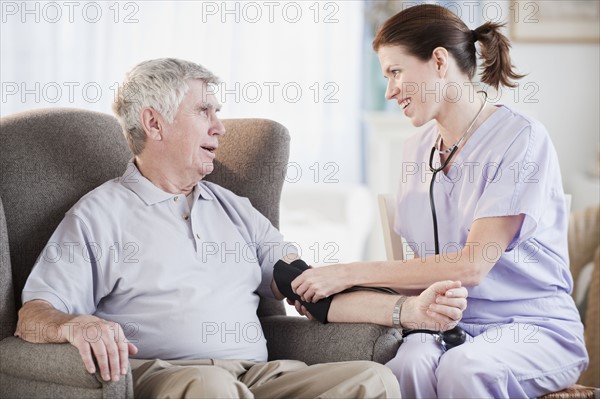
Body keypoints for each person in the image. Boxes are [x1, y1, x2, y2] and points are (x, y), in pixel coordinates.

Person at [15, 58, 468, 398]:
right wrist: (75, 326)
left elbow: (305, 286)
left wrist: (407, 313)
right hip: (171, 374)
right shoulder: (99, 214)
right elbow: (34, 313)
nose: (221, 126)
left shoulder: (232, 207)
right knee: (211, 386)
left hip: (254, 375)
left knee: (372, 380)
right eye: (204, 111)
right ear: (154, 122)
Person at [290, 4, 589, 398]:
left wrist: (346, 272)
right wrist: (337, 297)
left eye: (396, 71)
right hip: (448, 324)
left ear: (438, 61)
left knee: (465, 369)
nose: (390, 90)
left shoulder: (522, 140)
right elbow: (420, 271)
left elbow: (470, 266)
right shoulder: (415, 151)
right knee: (405, 365)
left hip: (532, 327)